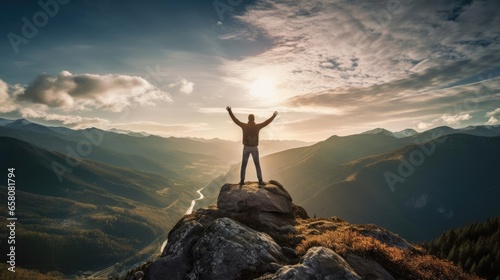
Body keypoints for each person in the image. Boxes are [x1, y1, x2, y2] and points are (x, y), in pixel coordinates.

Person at [226, 106, 278, 185]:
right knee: (257, 164)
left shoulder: (244, 126)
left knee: (244, 165)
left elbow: (235, 120)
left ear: (248, 119)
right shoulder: (257, 127)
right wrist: (273, 116)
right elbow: (266, 122)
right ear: (254, 119)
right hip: (254, 148)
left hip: (246, 148)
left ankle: (242, 181)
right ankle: (260, 180)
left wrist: (229, 111)